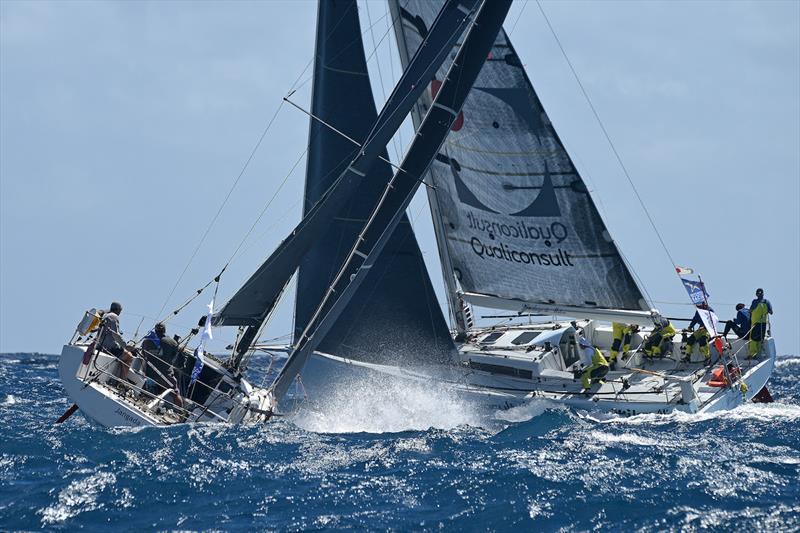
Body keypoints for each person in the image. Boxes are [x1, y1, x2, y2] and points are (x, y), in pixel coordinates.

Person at [98, 301, 134, 382]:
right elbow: (115, 334)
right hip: (109, 348)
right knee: (129, 356)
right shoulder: (114, 317)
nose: (120, 313)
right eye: (120, 311)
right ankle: (122, 380)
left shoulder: (105, 316)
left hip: (100, 345)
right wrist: (126, 346)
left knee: (124, 352)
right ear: (118, 310)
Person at [748, 288, 773, 358]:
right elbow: (771, 312)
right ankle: (758, 353)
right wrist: (766, 310)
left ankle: (752, 354)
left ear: (756, 294)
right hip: (763, 323)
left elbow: (750, 310)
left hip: (755, 323)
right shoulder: (767, 302)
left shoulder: (755, 301)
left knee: (753, 338)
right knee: (760, 339)